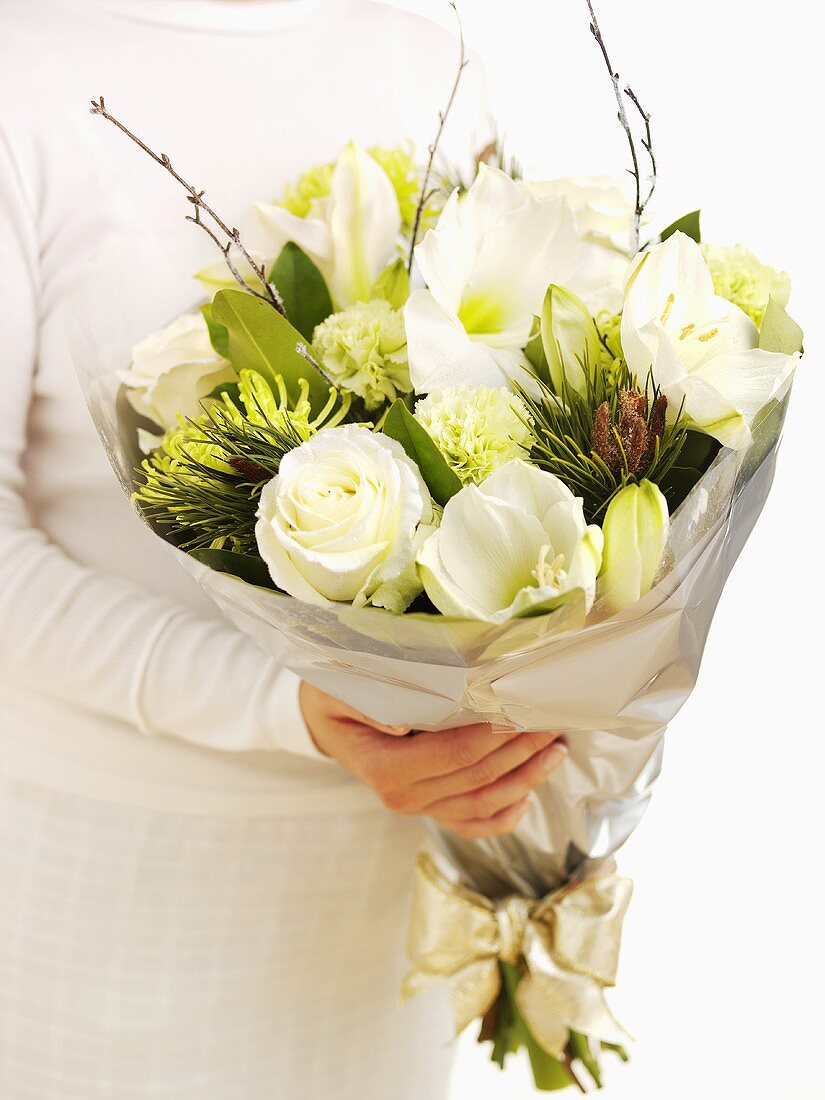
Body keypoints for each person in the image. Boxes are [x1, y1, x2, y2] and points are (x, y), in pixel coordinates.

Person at [0, 1, 568, 1096]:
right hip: (108, 875)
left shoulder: (426, 59)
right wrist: (286, 704)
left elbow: (532, 452)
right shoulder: (24, 73)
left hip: (384, 883)